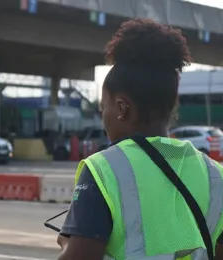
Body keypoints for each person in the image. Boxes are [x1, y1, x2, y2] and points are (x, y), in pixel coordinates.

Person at [56, 19, 223, 260]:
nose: (104, 118)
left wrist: (65, 243)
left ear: (122, 108)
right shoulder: (215, 175)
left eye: (104, 108)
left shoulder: (105, 170)